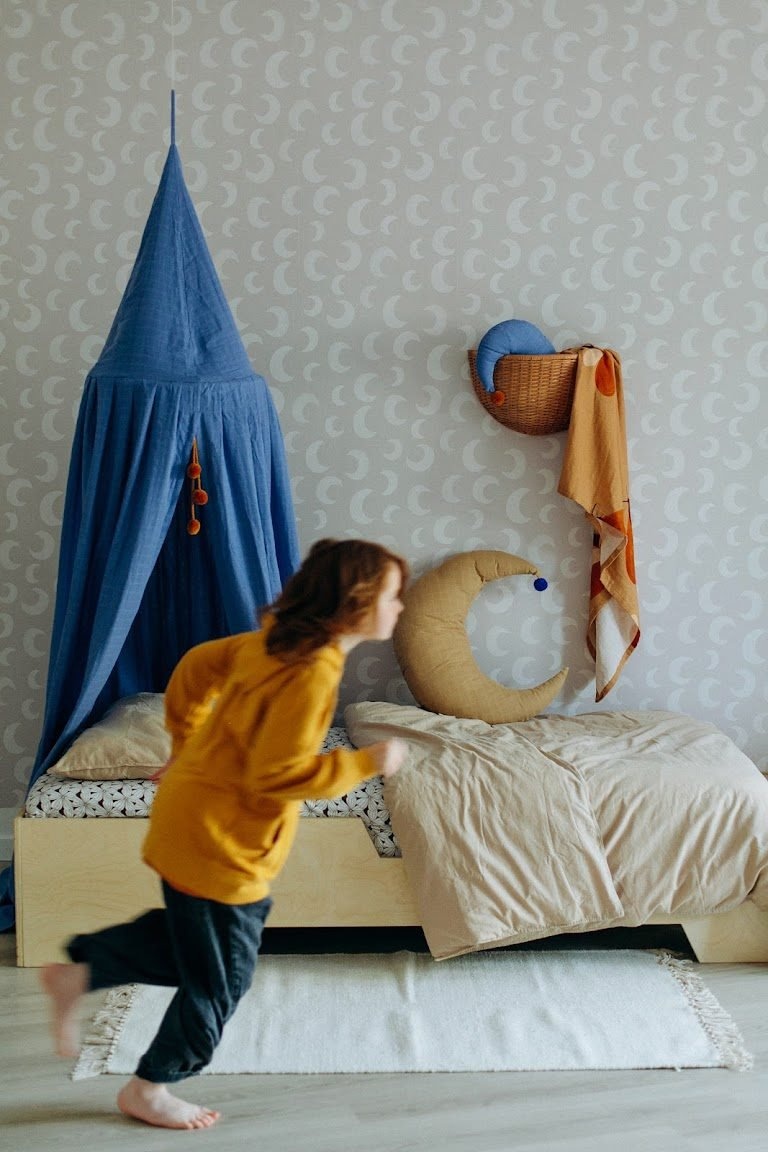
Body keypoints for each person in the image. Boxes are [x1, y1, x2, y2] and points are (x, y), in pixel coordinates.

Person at [40, 538, 409, 1130]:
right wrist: (368, 761)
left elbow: (195, 666)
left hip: (191, 820)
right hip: (220, 842)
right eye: (392, 595)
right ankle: (150, 1086)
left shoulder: (273, 643)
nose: (399, 607)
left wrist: (186, 745)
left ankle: (84, 969)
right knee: (223, 980)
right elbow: (277, 775)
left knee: (197, 944)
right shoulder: (312, 671)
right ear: (355, 603)